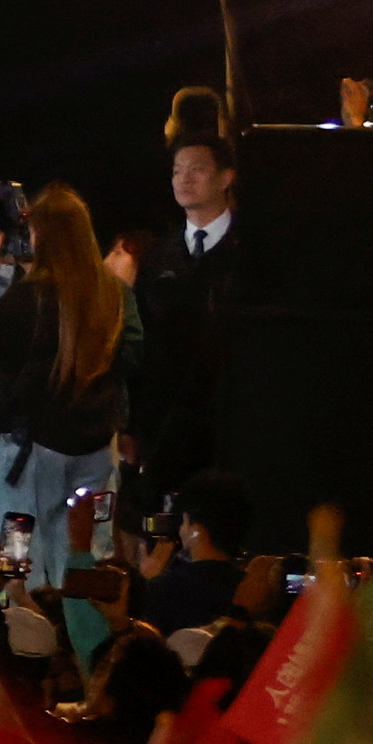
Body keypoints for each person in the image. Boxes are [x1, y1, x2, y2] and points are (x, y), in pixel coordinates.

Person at [0, 181, 137, 589]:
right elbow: (132, 355)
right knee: (91, 550)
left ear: (44, 235)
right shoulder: (113, 293)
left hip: (33, 451)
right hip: (98, 452)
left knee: (19, 553)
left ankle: (24, 638)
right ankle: (84, 636)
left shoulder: (31, 295)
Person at [129, 133, 240, 502]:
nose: (184, 180)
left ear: (226, 177)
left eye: (197, 170)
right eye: (177, 171)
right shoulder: (159, 254)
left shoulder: (249, 250)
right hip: (166, 424)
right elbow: (140, 342)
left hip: (232, 420)